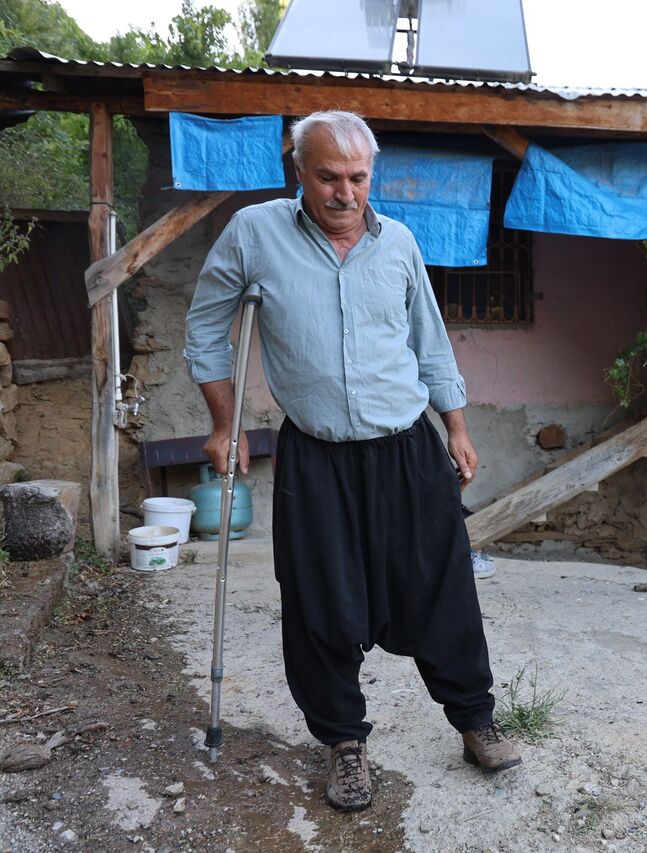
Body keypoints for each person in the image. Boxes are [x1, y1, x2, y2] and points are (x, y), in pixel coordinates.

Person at [183, 110, 520, 813]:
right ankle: (344, 743)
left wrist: (455, 426)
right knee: (320, 600)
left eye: (358, 177)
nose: (345, 192)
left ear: (373, 175)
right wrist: (225, 424)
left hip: (407, 448)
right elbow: (207, 326)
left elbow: (430, 340)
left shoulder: (397, 242)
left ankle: (474, 719)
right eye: (329, 176)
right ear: (298, 172)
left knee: (442, 586)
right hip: (317, 455)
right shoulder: (255, 234)